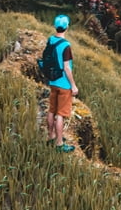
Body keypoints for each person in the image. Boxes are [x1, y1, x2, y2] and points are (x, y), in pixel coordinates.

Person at [45, 14, 78, 152]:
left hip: (53, 81)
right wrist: (73, 85)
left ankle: (51, 136)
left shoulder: (51, 40)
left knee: (52, 110)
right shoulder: (66, 46)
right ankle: (59, 144)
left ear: (55, 26)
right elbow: (66, 68)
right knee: (61, 114)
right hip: (64, 84)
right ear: (67, 27)